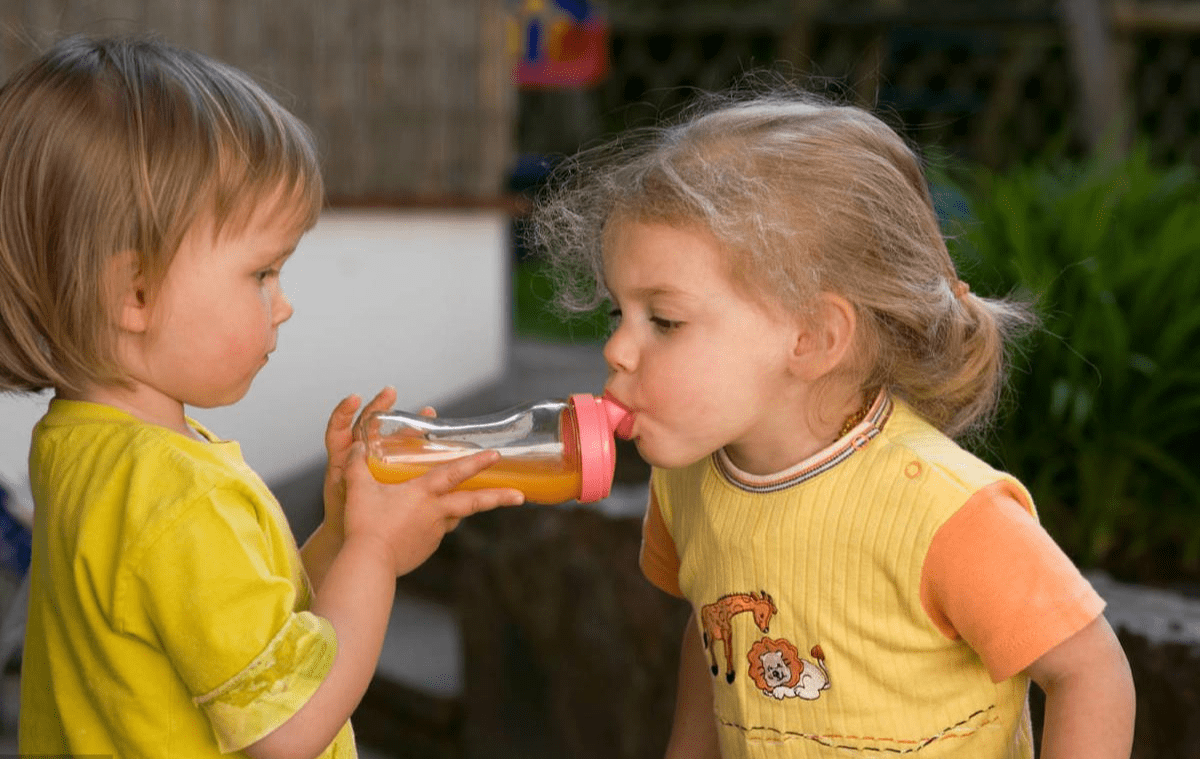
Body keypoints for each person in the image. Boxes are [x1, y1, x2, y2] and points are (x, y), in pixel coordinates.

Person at [530, 88, 1135, 758]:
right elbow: (717, 639)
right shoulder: (688, 484)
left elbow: (1090, 670)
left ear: (815, 336)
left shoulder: (942, 509)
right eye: (619, 313)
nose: (615, 347)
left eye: (664, 320)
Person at [0, 35, 524, 757]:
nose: (283, 306)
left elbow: (234, 640)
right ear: (136, 293)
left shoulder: (79, 442)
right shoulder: (180, 493)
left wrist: (338, 533)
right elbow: (285, 727)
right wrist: (375, 554)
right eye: (262, 273)